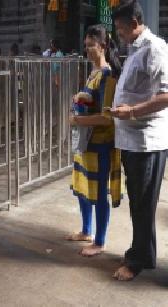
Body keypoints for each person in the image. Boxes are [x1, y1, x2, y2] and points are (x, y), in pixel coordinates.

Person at [110, 0, 168, 281]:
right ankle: (142, 252)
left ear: (135, 23)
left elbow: (167, 95)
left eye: (121, 29)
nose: (120, 34)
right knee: (138, 202)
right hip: (132, 139)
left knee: (143, 204)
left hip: (147, 141)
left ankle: (137, 262)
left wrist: (131, 111)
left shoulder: (155, 48)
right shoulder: (134, 49)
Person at [66, 24, 122, 257]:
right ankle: (86, 230)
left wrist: (79, 121)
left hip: (99, 143)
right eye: (86, 46)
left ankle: (100, 241)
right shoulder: (93, 72)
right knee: (82, 187)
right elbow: (92, 104)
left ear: (104, 46)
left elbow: (107, 117)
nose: (88, 50)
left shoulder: (108, 76)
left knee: (98, 193)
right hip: (86, 142)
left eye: (92, 46)